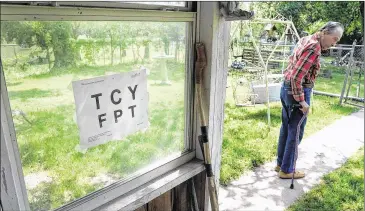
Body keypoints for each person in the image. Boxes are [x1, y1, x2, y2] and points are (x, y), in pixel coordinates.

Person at [275, 22, 344, 179]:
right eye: (335, 39)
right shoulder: (314, 47)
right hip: (297, 91)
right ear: (325, 32)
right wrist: (302, 101)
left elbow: (292, 70)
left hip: (286, 88)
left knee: (286, 127)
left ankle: (280, 164)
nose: (335, 43)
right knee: (295, 132)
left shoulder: (306, 39)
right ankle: (287, 170)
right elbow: (296, 77)